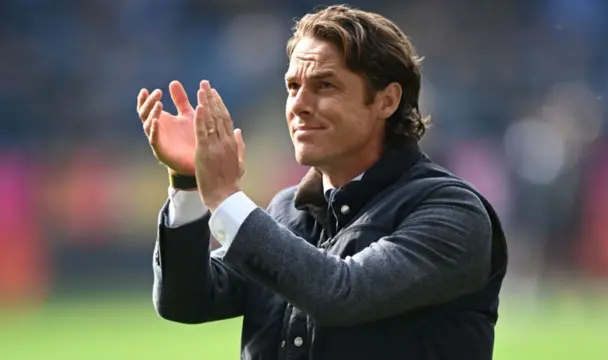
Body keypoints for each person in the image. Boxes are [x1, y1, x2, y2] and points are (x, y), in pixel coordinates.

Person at [137, 4, 508, 360]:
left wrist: (225, 196)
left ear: (386, 100)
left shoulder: (451, 211)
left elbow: (342, 292)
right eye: (293, 86)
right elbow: (184, 300)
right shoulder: (287, 210)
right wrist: (188, 182)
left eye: (325, 85)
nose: (299, 104)